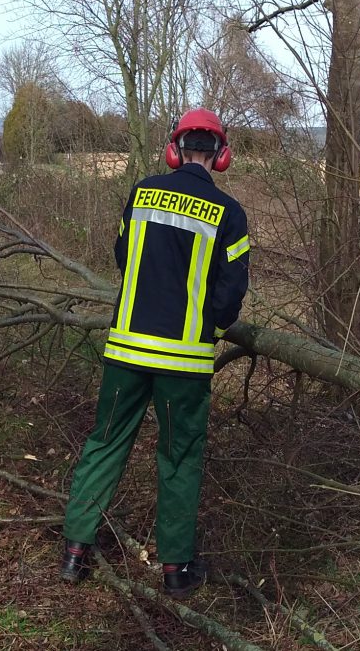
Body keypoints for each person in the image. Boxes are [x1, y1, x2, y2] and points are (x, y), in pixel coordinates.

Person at [60, 108, 250, 599]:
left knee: (105, 441)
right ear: (221, 155)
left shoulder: (142, 194)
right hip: (183, 364)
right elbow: (230, 297)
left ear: (174, 149)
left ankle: (76, 552)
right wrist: (209, 324)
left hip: (126, 350)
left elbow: (124, 258)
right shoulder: (229, 213)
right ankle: (175, 569)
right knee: (179, 457)